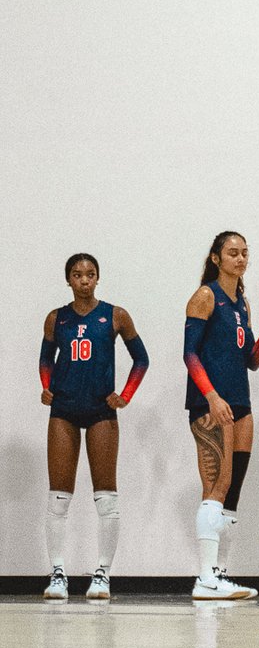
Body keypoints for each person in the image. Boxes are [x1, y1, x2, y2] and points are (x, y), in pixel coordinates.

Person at [39, 253, 149, 600]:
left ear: (98, 278)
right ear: (68, 279)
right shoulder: (56, 318)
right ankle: (58, 572)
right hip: (64, 410)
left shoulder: (115, 315)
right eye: (77, 274)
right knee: (59, 496)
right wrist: (46, 385)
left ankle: (102, 573)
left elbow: (141, 359)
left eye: (90, 274)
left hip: (101, 411)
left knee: (106, 496)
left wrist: (126, 395)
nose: (84, 280)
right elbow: (45, 359)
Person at [184, 232, 259, 600]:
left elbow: (251, 359)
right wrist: (212, 396)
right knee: (216, 486)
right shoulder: (206, 296)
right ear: (216, 258)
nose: (240, 258)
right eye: (233, 253)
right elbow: (189, 354)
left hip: (240, 400)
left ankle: (220, 573)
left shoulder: (243, 304)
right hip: (212, 403)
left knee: (233, 491)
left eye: (245, 253)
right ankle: (204, 578)